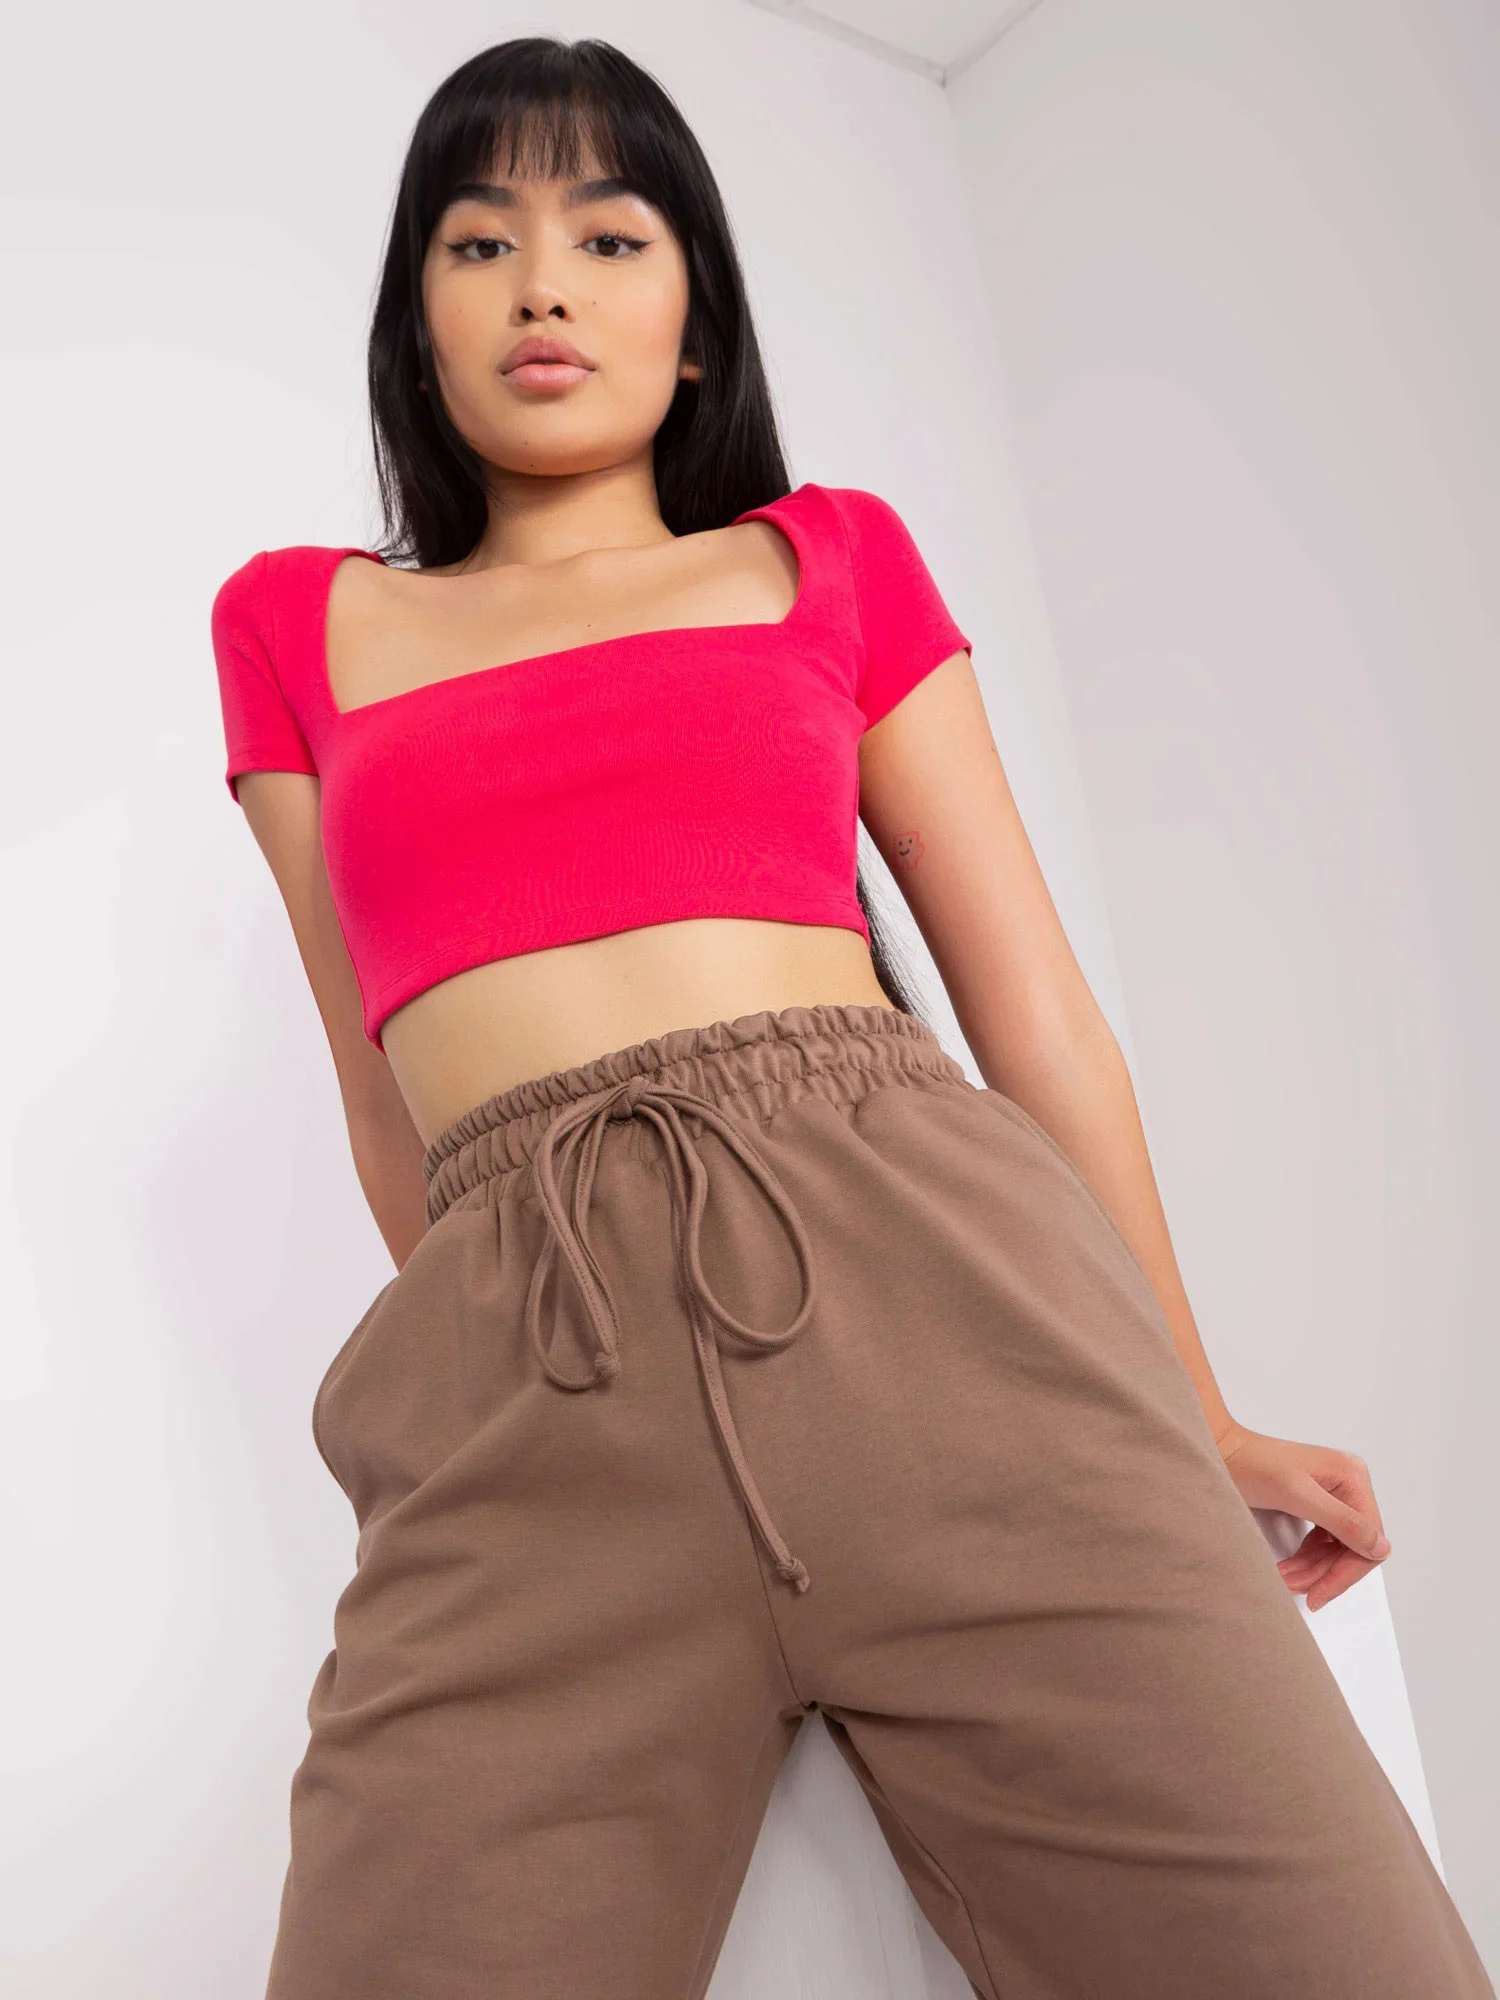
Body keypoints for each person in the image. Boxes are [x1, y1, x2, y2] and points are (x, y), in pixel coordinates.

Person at [209, 34, 1494, 2000]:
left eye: (609, 237)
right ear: (419, 321)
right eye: (479, 243)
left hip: (940, 1316)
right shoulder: (297, 625)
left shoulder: (830, 560)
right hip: (533, 1410)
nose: (544, 285)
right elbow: (383, 1096)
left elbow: (1034, 1018)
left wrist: (1195, 1404)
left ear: (695, 324)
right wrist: (497, 1375)